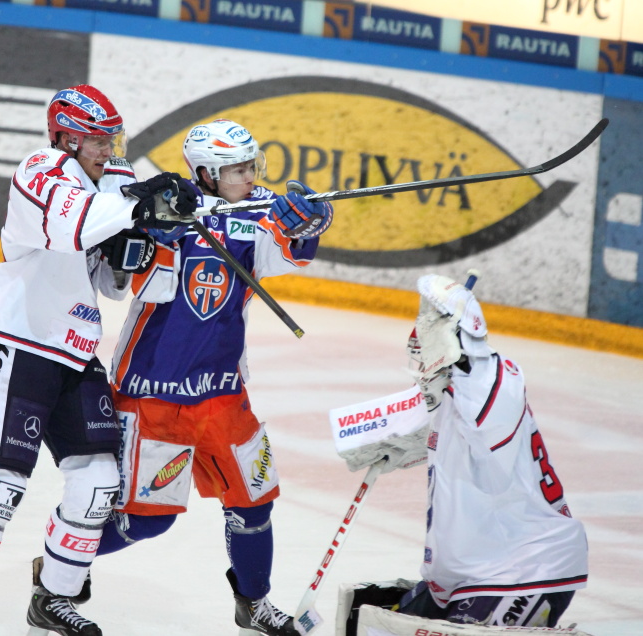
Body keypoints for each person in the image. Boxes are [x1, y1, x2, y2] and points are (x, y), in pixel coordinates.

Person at [0, 84, 198, 636]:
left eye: (110, 137)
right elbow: (73, 230)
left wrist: (143, 240)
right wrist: (140, 204)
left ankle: (54, 599)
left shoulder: (114, 181)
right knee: (0, 485)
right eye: (95, 138)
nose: (106, 147)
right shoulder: (40, 170)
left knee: (97, 483)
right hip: (15, 345)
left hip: (74, 351)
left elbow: (109, 281)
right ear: (65, 137)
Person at [58, 118, 334, 635]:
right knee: (147, 520)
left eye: (254, 166)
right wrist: (161, 224)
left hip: (223, 394)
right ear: (206, 174)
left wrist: (307, 223)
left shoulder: (258, 209)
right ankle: (61, 562)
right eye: (238, 170)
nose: (251, 177)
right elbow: (132, 279)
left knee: (254, 503)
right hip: (150, 394)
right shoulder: (164, 205)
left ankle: (253, 603)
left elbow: (290, 252)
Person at [342, 274, 588, 634]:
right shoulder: (443, 397)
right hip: (469, 573)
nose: (421, 342)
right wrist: (374, 437)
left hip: (526, 565)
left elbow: (486, 391)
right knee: (369, 622)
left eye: (431, 331)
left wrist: (463, 345)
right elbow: (380, 428)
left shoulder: (497, 376)